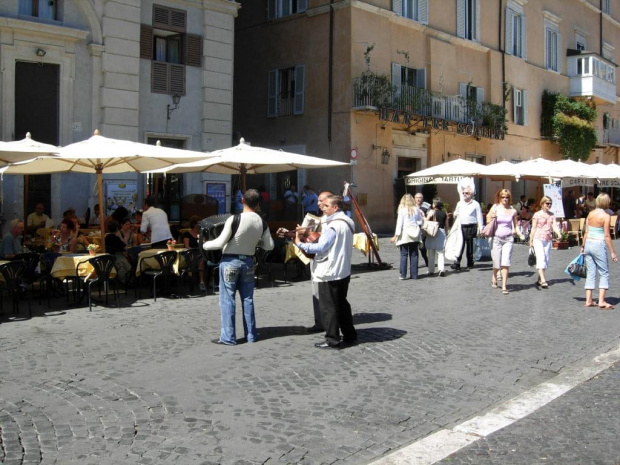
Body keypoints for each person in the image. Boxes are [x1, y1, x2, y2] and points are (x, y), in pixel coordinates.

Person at [203, 189, 274, 345]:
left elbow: (220, 243)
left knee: (228, 299)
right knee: (248, 299)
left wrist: (205, 244)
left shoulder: (234, 219)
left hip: (230, 261)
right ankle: (251, 335)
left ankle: (228, 337)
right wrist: (255, 241)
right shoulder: (262, 222)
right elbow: (269, 245)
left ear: (242, 200)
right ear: (258, 204)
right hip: (248, 261)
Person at [294, 195, 356, 350]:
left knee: (328, 307)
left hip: (330, 270)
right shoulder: (348, 221)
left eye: (326, 205)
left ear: (335, 207)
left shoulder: (333, 225)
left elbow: (320, 247)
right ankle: (349, 334)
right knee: (342, 304)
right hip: (343, 269)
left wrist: (300, 244)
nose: (323, 207)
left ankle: (332, 339)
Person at [582, 193, 618, 309]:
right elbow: (607, 235)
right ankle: (601, 301)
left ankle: (589, 300)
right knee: (604, 272)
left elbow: (586, 231)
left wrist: (583, 245)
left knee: (591, 272)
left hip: (588, 243)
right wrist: (613, 251)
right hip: (598, 244)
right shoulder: (606, 216)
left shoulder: (591, 214)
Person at [487, 189, 519, 295]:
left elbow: (516, 224)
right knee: (497, 263)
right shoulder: (495, 207)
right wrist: (492, 218)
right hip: (497, 238)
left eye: (507, 197)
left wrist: (518, 232)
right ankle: (495, 275)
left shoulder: (513, 210)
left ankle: (504, 286)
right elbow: (487, 220)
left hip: (508, 238)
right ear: (500, 198)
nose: (505, 199)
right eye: (503, 197)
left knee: (506, 262)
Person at [390, 194, 423, 280]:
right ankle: (414, 274)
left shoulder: (402, 210)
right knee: (414, 254)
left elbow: (399, 224)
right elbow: (420, 221)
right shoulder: (417, 210)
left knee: (404, 254)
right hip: (415, 233)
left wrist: (395, 236)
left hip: (405, 234)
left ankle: (403, 275)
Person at [529, 196, 559, 288]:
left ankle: (539, 279)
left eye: (550, 203)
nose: (549, 205)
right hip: (538, 238)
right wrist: (531, 240)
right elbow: (533, 228)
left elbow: (554, 226)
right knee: (541, 257)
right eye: (547, 203)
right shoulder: (537, 215)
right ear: (542, 204)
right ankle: (543, 279)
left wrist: (559, 233)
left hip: (548, 239)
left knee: (546, 259)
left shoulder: (552, 215)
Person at [452, 186, 483, 271]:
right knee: (459, 244)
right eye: (463, 193)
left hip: (471, 226)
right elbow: (456, 211)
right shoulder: (459, 203)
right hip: (461, 226)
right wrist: (455, 214)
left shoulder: (475, 204)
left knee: (470, 246)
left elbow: (479, 216)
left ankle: (470, 262)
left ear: (471, 194)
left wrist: (481, 227)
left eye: (467, 193)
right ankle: (457, 262)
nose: (464, 195)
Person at [425, 199, 449, 277]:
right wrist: (446, 233)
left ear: (434, 205)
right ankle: (441, 269)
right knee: (441, 252)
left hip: (432, 232)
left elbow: (426, 222)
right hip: (441, 232)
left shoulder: (431, 212)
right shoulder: (444, 213)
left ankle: (431, 270)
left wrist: (425, 215)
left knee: (431, 252)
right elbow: (447, 225)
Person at [182, 216, 206, 291]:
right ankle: (201, 281)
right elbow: (187, 246)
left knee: (202, 258)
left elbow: (205, 244)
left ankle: (202, 281)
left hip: (201, 253)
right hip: (191, 253)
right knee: (200, 259)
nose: (199, 226)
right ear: (194, 224)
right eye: (198, 224)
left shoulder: (202, 234)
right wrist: (195, 251)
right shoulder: (187, 234)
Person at [104, 219, 132, 284]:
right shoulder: (116, 238)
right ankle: (127, 279)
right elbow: (124, 248)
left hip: (109, 257)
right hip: (117, 257)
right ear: (117, 228)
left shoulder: (106, 237)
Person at [414, 192, 429, 267]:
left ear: (422, 199)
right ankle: (415, 263)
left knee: (422, 247)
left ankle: (427, 261)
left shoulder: (426, 206)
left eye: (420, 198)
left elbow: (430, 215)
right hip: (414, 229)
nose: (419, 199)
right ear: (415, 198)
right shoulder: (412, 207)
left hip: (423, 229)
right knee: (414, 247)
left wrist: (424, 214)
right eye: (417, 197)